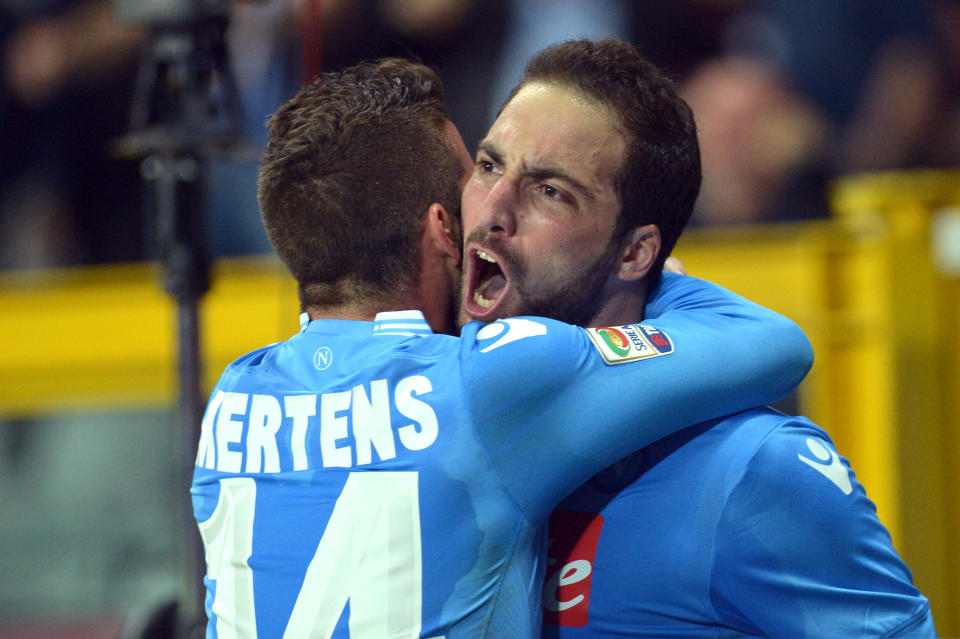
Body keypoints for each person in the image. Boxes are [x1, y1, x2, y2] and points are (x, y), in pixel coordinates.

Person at [190, 57, 813, 637]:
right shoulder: (485, 382)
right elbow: (777, 345)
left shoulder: (231, 398)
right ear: (442, 229)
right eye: (479, 172)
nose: (489, 208)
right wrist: (662, 283)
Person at [451, 38, 936, 637]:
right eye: (490, 166)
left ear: (634, 253)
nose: (491, 211)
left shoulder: (754, 472)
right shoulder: (421, 423)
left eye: (550, 191)